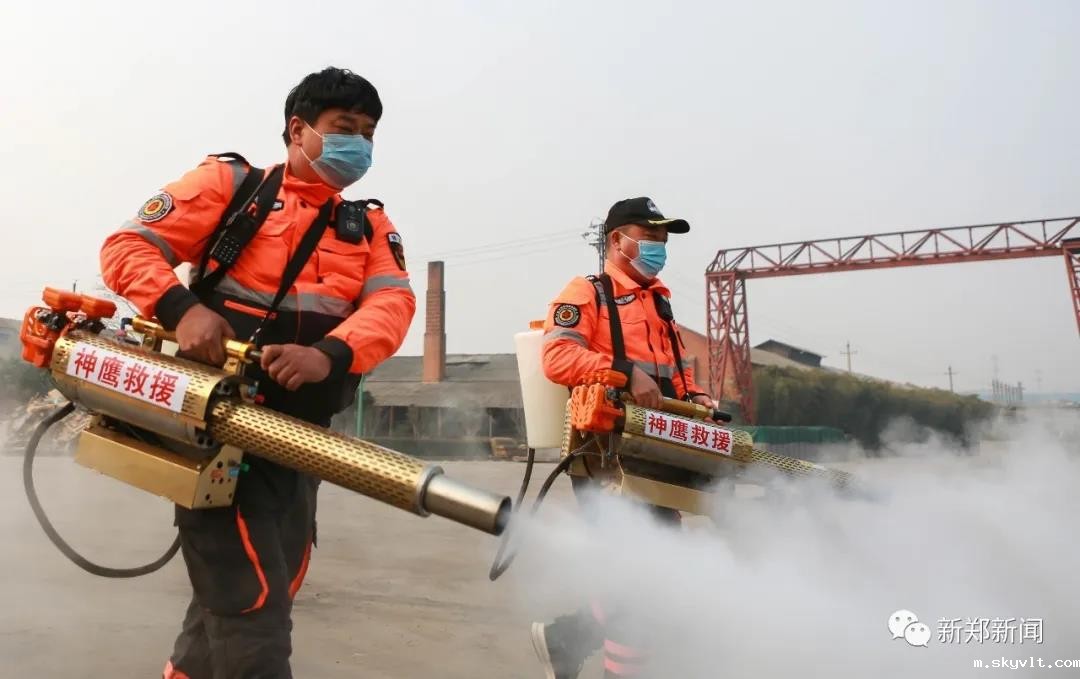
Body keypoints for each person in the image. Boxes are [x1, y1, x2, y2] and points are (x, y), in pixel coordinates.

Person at [99, 67, 415, 679]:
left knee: (250, 599)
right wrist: (183, 311)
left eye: (368, 133)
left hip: (299, 440)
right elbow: (126, 248)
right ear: (298, 130)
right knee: (253, 608)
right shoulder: (230, 185)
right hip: (218, 427)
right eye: (344, 127)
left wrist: (330, 353)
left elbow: (393, 304)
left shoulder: (369, 226)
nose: (358, 144)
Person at [532, 197, 716, 679]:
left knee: (655, 574)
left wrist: (697, 397)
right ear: (618, 240)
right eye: (650, 237)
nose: (659, 247)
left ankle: (565, 639)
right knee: (638, 584)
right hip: (605, 459)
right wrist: (622, 372)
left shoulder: (659, 303)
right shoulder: (588, 293)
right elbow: (557, 357)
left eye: (663, 240)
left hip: (657, 454)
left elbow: (674, 374)